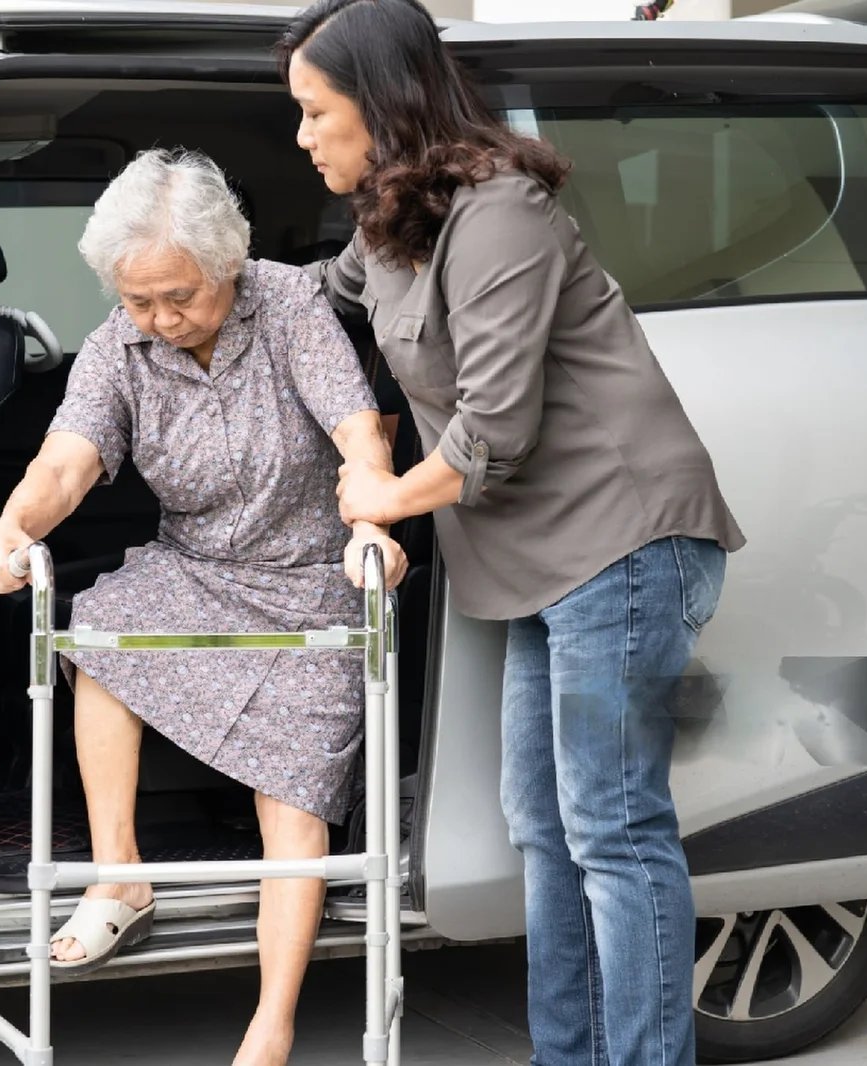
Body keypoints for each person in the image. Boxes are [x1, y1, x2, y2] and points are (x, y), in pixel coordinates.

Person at [278, 3, 746, 1063]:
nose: (302, 135)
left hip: (622, 541)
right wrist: (194, 289)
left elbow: (492, 430)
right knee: (546, 828)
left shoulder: (500, 214)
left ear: (381, 104)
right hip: (538, 563)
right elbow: (314, 302)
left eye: (315, 111)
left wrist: (380, 494)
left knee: (613, 832)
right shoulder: (388, 223)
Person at [0, 147, 405, 1066]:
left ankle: (271, 1026)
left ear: (229, 265)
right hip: (197, 566)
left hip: (310, 574)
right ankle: (119, 878)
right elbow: (68, 462)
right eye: (140, 300)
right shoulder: (116, 347)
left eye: (181, 297)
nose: (161, 319)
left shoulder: (288, 305)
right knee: (99, 635)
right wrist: (14, 530)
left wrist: (372, 514)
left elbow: (356, 428)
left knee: (292, 787)